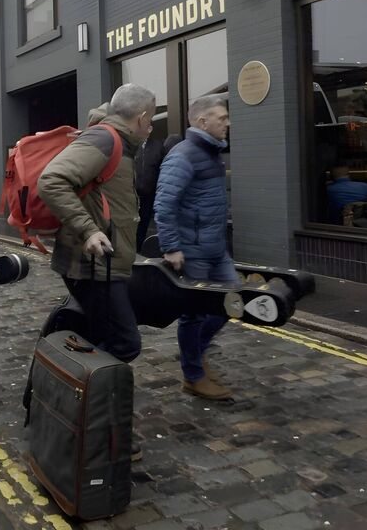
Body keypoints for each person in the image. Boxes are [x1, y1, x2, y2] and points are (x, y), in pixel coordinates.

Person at [38, 84, 155, 364]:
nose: (150, 128)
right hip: (94, 265)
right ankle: (70, 385)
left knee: (98, 333)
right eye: (150, 120)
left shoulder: (120, 144)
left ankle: (79, 391)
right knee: (124, 343)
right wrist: (89, 230)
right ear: (140, 118)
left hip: (104, 265)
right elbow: (51, 180)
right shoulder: (105, 140)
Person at [153, 94, 236, 400]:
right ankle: (193, 376)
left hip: (215, 247)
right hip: (192, 249)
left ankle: (196, 355)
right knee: (194, 315)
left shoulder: (212, 152)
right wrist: (172, 247)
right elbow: (164, 204)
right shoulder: (183, 154)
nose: (227, 123)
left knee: (231, 301)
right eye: (222, 117)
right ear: (203, 122)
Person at [134, 132, 182, 251]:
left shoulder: (157, 147)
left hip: (150, 193)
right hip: (135, 193)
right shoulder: (133, 145)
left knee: (144, 224)